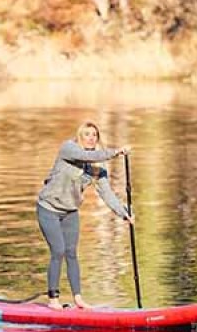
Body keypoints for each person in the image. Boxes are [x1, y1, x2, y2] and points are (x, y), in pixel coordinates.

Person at [37, 121, 133, 310]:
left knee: (72, 253)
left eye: (94, 135)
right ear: (80, 136)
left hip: (70, 211)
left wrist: (124, 214)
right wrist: (117, 151)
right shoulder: (69, 149)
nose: (91, 138)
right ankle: (53, 299)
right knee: (58, 251)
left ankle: (78, 299)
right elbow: (85, 155)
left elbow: (107, 194)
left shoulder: (97, 167)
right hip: (48, 208)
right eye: (87, 134)